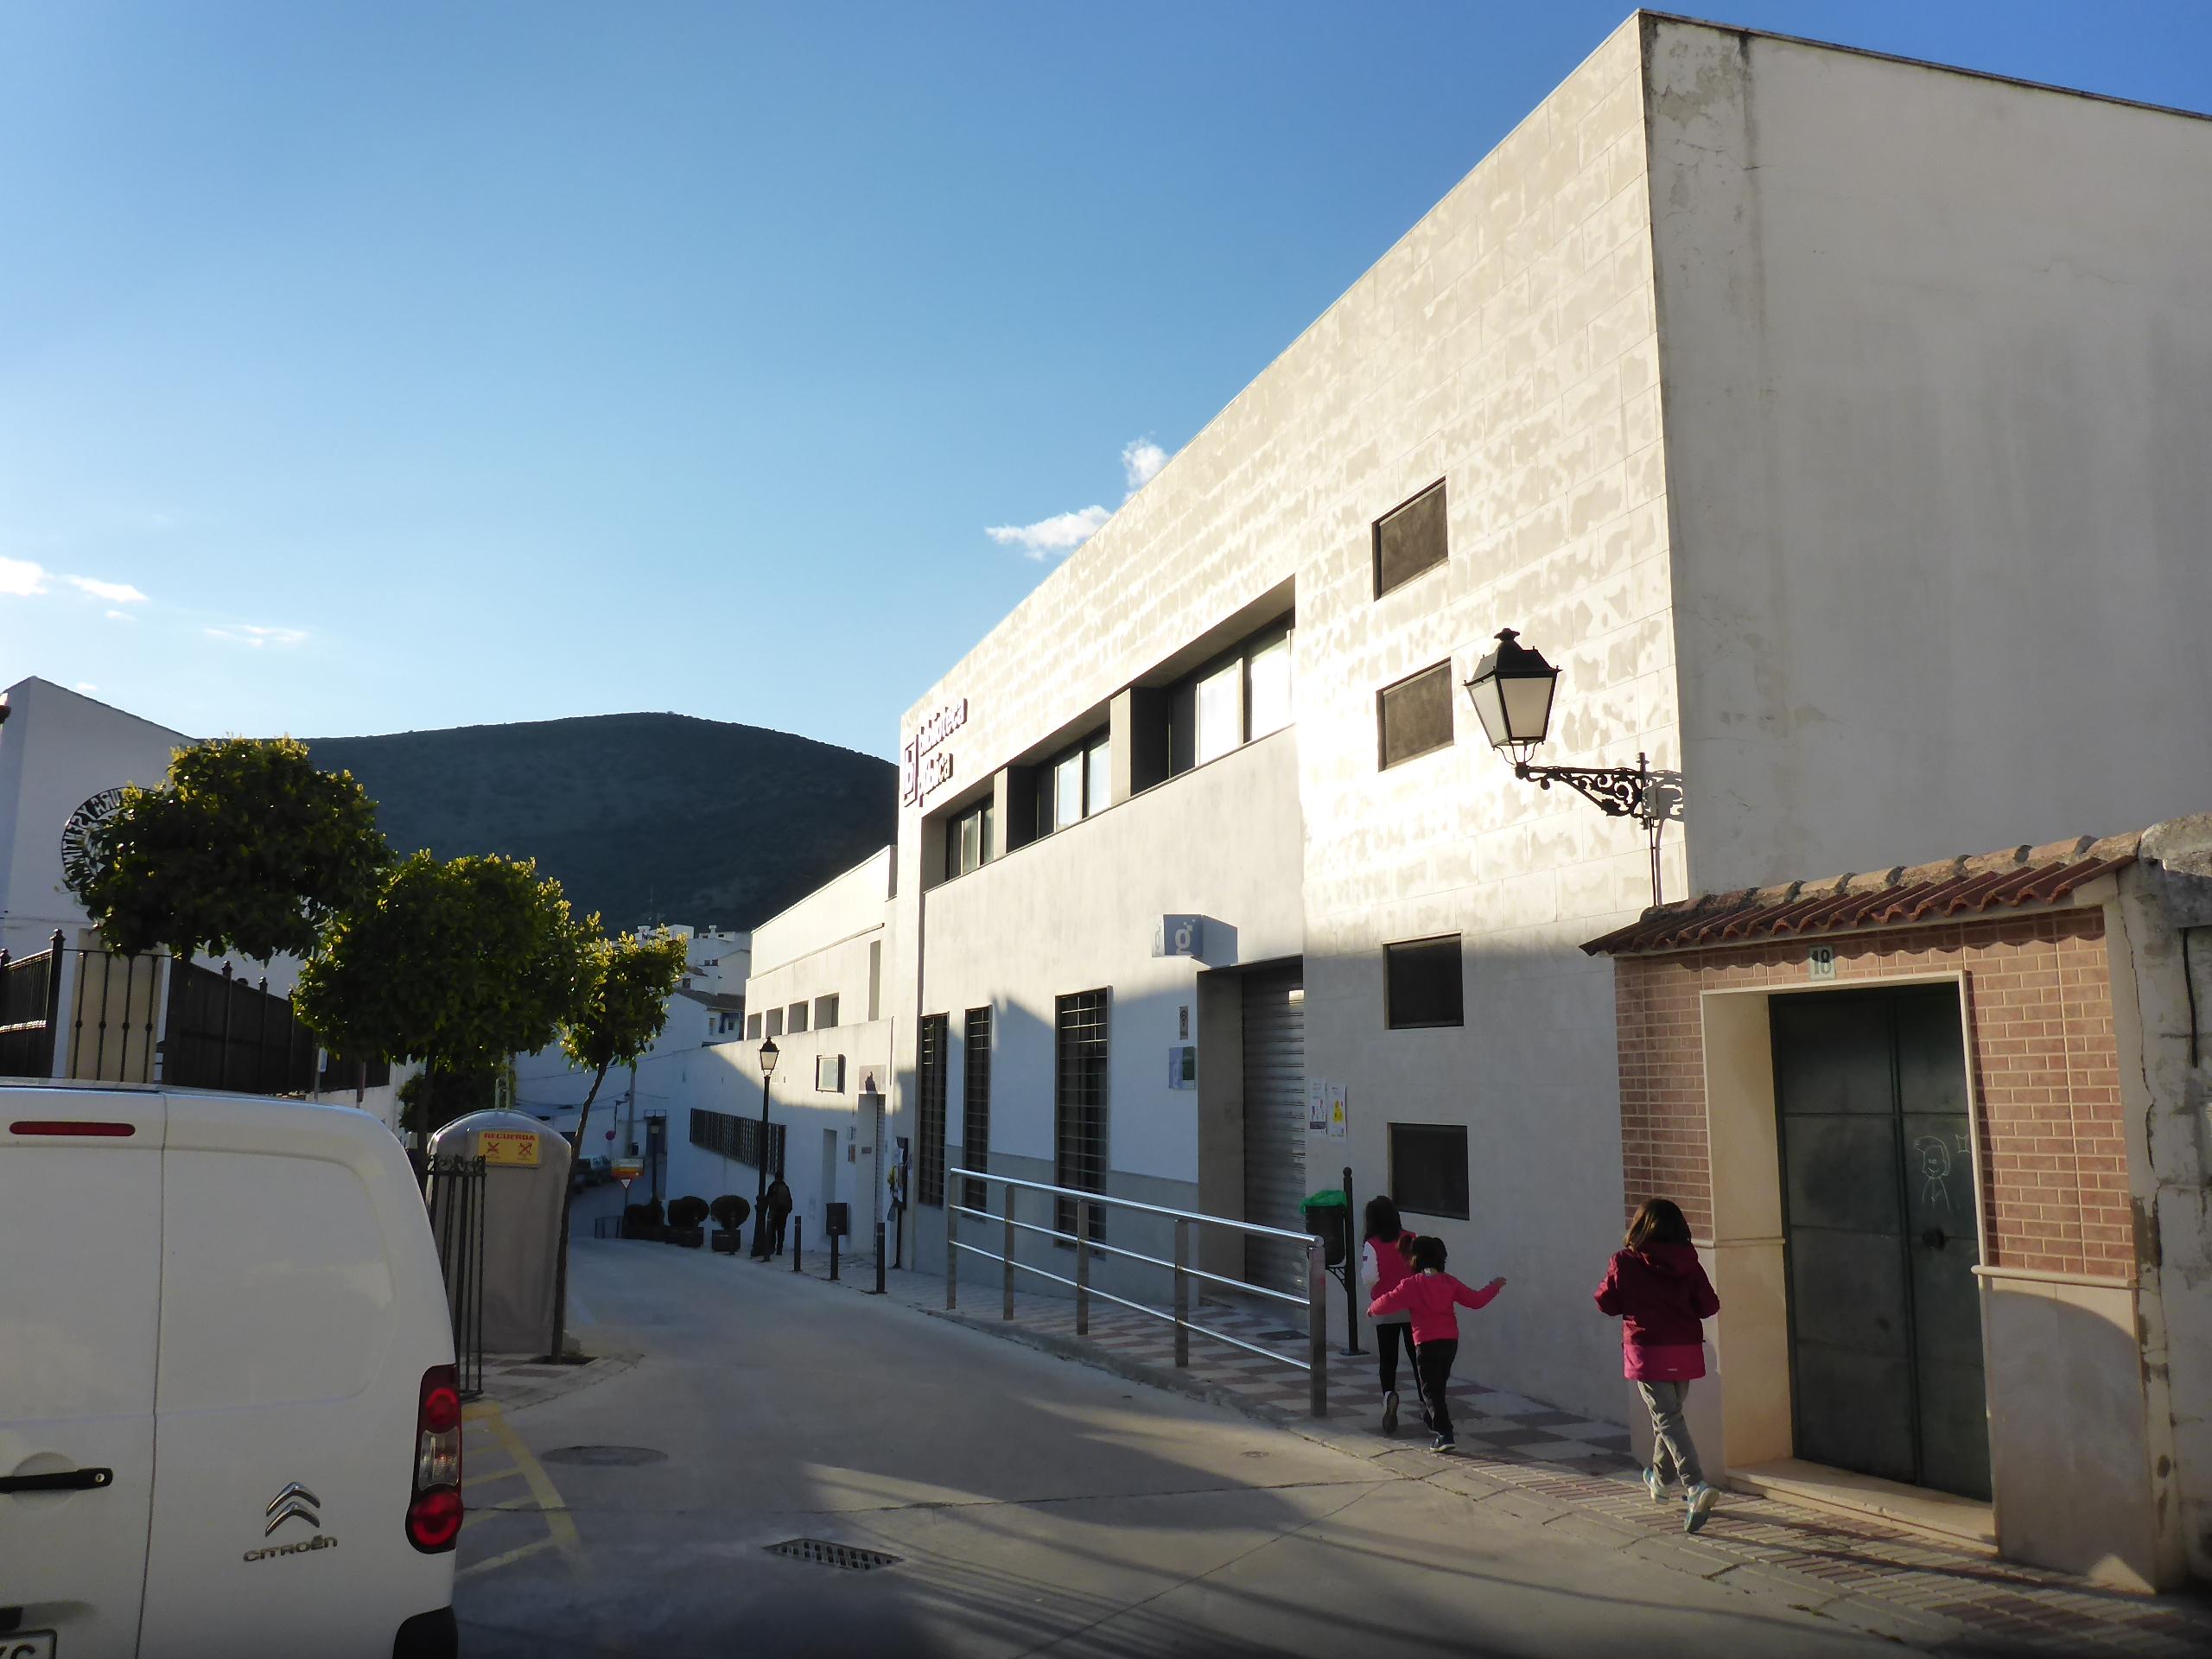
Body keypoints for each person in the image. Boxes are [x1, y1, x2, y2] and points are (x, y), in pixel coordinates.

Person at [1595, 1197, 1723, 1534]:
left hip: (1648, 1349)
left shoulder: (1625, 1261)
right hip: (1684, 1349)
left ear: (1640, 1226)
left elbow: (1606, 1303)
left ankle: (1695, 1485)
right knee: (1669, 1419)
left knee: (1667, 1418)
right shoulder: (1689, 1262)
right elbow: (1709, 1305)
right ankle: (1659, 1477)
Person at [1366, 1235, 1504, 1452]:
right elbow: (1475, 1300)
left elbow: (1389, 1300)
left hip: (1426, 1343)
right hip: (1449, 1343)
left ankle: (1444, 1434)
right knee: (1438, 1387)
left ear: (1415, 1259)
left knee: (1431, 1391)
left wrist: (1373, 1309)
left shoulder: (1411, 1285)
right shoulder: (1449, 1282)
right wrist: (1494, 1286)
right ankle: (1432, 1420)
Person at [1358, 1197, 1423, 1434]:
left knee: (1388, 1358)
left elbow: (1369, 1278)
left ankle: (1389, 1396)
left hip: (1386, 1305)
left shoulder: (1372, 1244)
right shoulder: (1411, 1238)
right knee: (1418, 1357)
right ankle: (1425, 1403)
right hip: (1413, 1306)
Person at [766, 1172, 793, 1256]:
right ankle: (780, 1248)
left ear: (775, 1177)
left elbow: (768, 1198)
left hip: (774, 1211)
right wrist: (788, 1210)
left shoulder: (772, 1186)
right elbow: (789, 1199)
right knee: (781, 1230)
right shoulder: (786, 1187)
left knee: (772, 1229)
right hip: (783, 1213)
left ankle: (772, 1247)